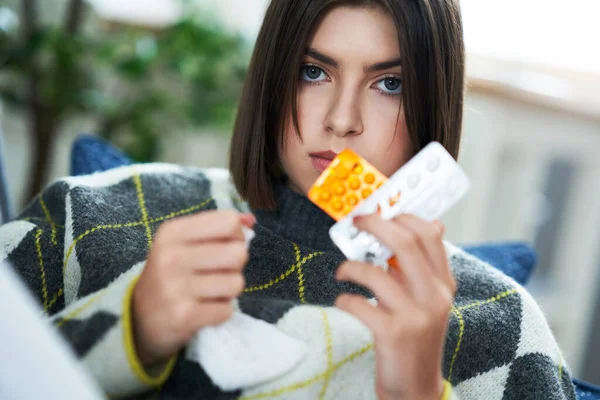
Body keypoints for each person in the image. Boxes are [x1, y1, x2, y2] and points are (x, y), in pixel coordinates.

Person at [0, 0, 576, 399]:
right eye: (313, 72)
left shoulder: (502, 324)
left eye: (389, 83)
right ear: (272, 76)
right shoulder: (94, 212)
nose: (341, 121)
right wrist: (132, 330)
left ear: (436, 101)